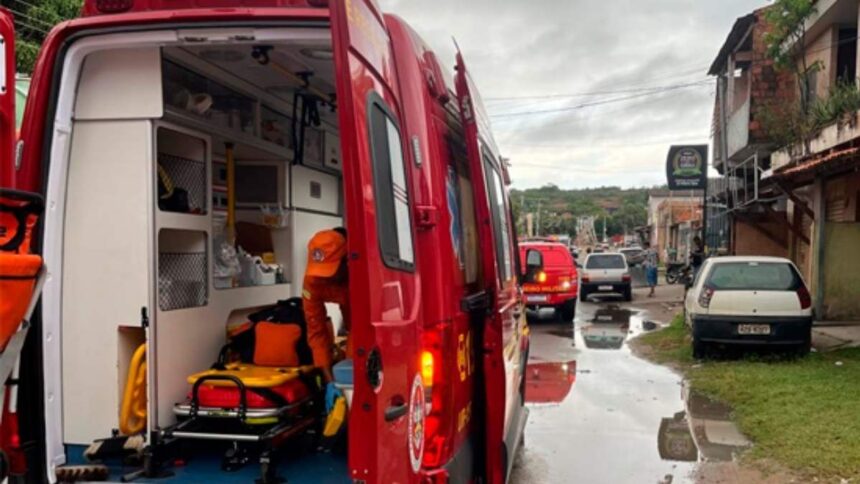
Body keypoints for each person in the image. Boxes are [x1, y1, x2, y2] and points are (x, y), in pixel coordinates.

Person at [302, 227, 349, 383]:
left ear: (346, 260)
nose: (324, 278)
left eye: (329, 271)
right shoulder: (313, 281)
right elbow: (316, 330)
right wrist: (330, 382)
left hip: (354, 305)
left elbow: (358, 328)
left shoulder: (359, 276)